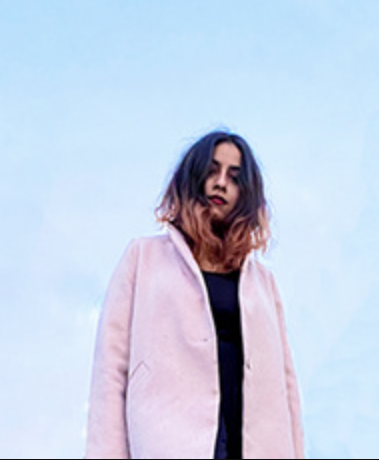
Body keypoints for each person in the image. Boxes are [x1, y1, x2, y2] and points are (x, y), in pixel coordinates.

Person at [85, 131, 305, 459]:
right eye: (212, 171)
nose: (221, 183)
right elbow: (111, 371)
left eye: (234, 177)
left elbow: (287, 389)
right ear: (192, 178)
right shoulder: (142, 258)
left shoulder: (264, 283)